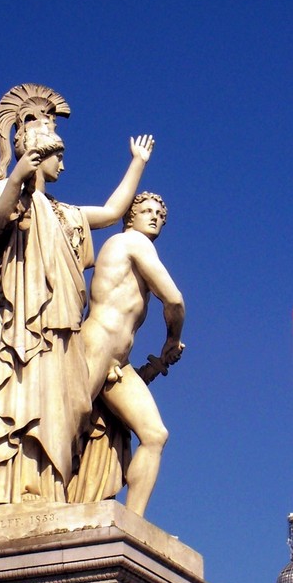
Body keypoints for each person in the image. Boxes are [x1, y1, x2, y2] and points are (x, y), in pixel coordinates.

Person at [0, 84, 155, 509]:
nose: (63, 165)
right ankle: (12, 490)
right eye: (58, 156)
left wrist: (137, 164)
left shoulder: (65, 213)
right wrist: (14, 175)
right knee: (23, 402)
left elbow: (112, 210)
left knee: (62, 410)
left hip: (63, 329)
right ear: (38, 156)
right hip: (21, 330)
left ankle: (51, 489)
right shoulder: (6, 193)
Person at [73, 192, 184, 516]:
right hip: (96, 342)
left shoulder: (134, 247)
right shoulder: (132, 242)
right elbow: (174, 301)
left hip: (118, 361)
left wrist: (156, 365)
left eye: (160, 215)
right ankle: (40, 495)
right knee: (71, 424)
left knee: (154, 435)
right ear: (130, 217)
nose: (154, 217)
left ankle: (132, 522)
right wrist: (172, 340)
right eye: (147, 210)